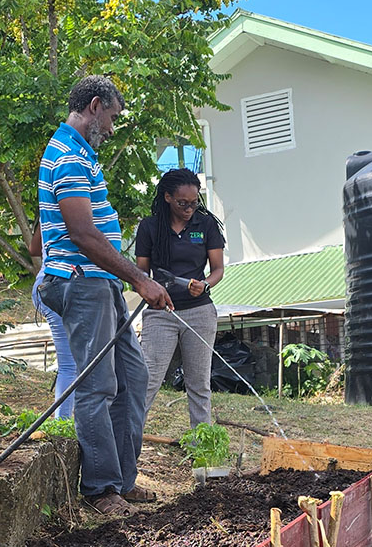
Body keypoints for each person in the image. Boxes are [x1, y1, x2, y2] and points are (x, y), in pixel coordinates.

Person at [35, 75, 172, 518]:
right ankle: (100, 490)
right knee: (96, 386)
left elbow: (54, 234)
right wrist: (140, 279)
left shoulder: (81, 155)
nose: (113, 128)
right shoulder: (68, 157)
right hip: (82, 283)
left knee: (132, 380)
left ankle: (121, 480)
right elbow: (83, 234)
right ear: (95, 106)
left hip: (100, 282)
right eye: (112, 117)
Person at [135, 168, 226, 428]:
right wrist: (149, 289)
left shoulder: (205, 225)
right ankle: (129, 442)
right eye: (182, 203)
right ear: (167, 198)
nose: (189, 209)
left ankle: (203, 449)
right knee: (148, 379)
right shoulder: (150, 227)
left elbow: (218, 269)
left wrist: (205, 285)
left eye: (194, 203)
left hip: (199, 312)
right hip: (160, 313)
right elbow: (141, 273)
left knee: (198, 383)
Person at [29, 231, 75, 419]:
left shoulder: (49, 209)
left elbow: (33, 249)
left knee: (71, 364)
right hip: (59, 287)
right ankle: (62, 424)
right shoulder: (77, 208)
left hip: (45, 285)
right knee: (71, 365)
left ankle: (65, 423)